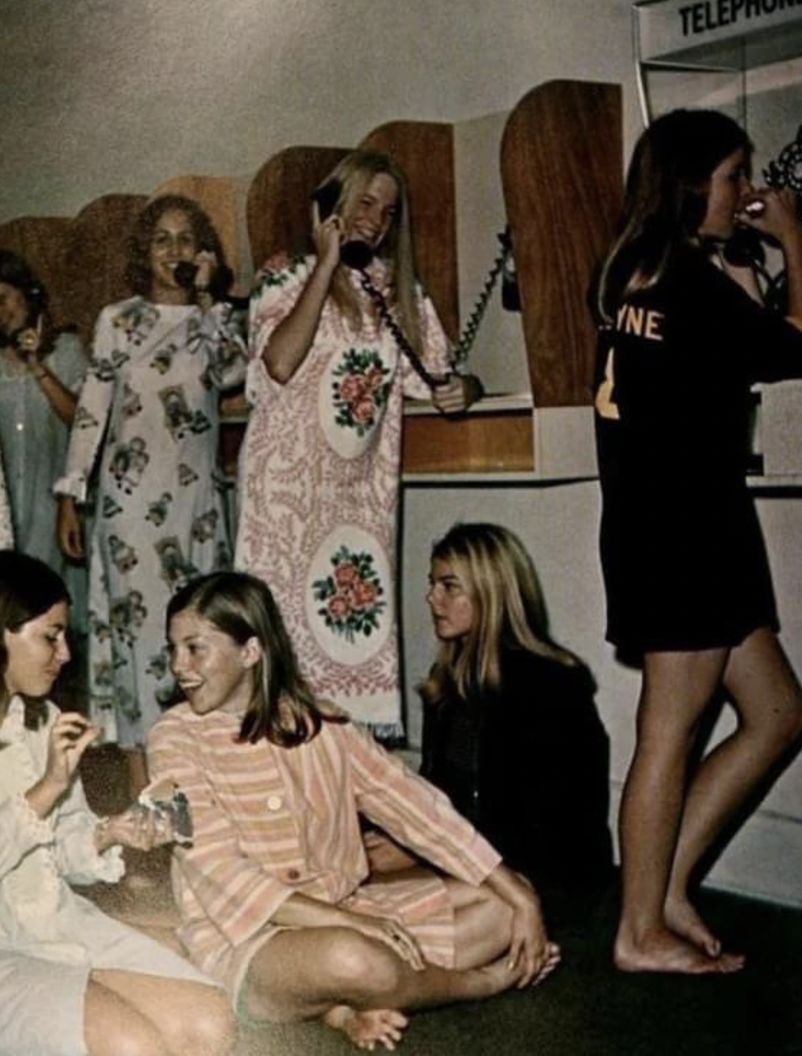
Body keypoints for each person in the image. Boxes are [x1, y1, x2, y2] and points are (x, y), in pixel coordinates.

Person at [147, 570, 560, 1052]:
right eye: (173, 649)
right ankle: (477, 983)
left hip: (347, 911)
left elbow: (415, 806)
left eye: (195, 648)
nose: (179, 666)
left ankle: (347, 1003)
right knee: (356, 959)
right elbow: (216, 868)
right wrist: (353, 925)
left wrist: (521, 898)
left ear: (251, 652)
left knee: (506, 907)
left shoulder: (322, 723)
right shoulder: (171, 738)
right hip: (246, 941)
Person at [591, 108, 802, 975]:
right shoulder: (688, 282)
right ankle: (638, 930)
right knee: (669, 732)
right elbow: (797, 348)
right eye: (732, 175)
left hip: (676, 524)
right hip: (686, 530)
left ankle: (665, 886)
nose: (746, 192)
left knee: (780, 714)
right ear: (688, 183)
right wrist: (793, 239)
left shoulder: (632, 272)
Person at [236, 150, 482, 736]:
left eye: (389, 211)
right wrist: (325, 264)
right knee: (281, 657)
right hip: (285, 500)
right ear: (332, 204)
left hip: (357, 505)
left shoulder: (398, 293)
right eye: (365, 202)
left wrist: (465, 389)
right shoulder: (284, 278)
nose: (376, 219)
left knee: (349, 651)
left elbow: (441, 374)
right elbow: (277, 364)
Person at [0, 549, 235, 1056]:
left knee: (210, 1024)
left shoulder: (41, 719)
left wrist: (109, 832)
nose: (65, 654)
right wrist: (45, 789)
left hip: (52, 924)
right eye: (50, 636)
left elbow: (59, 852)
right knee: (133, 1047)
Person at [56, 194, 246, 797]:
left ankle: (202, 794)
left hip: (196, 512)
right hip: (129, 513)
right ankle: (149, 804)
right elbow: (91, 412)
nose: (174, 251)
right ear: (145, 252)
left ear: (204, 252)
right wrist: (70, 494)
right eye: (162, 240)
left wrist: (211, 299)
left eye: (186, 239)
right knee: (141, 648)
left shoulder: (216, 323)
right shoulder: (119, 319)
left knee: (203, 639)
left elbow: (237, 373)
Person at [416, 522, 614, 924]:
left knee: (397, 913)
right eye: (433, 584)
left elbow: (553, 825)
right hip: (474, 858)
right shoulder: (447, 683)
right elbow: (436, 793)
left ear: (491, 592)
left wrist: (447, 859)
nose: (432, 597)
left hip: (538, 875)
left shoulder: (550, 684)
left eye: (449, 586)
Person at [0, 251, 87, 613]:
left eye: (3, 297)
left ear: (27, 293)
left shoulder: (66, 350)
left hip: (54, 504)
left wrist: (37, 367)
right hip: (8, 508)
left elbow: (83, 422)